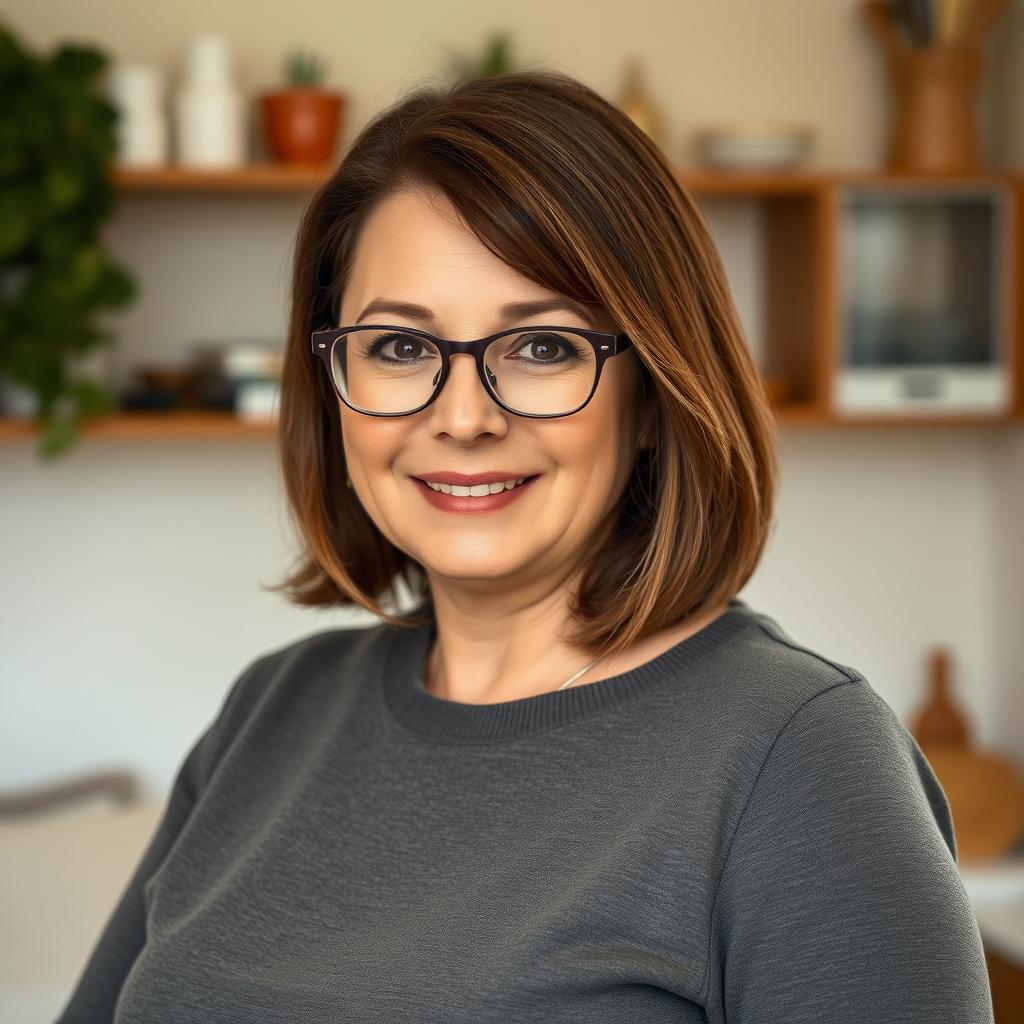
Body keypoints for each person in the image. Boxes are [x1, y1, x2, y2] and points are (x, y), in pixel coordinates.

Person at [57, 70, 994, 1023]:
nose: (462, 418)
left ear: (651, 397)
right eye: (399, 346)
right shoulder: (272, 711)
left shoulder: (801, 756)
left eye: (542, 347)